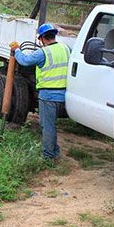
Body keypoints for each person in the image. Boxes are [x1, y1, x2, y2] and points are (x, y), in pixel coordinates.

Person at [11, 23, 70, 161]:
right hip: (64, 96)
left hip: (48, 96)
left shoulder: (43, 53)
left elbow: (24, 61)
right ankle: (54, 151)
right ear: (54, 35)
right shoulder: (66, 49)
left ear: (42, 38)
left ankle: (49, 156)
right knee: (52, 124)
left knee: (47, 126)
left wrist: (16, 49)